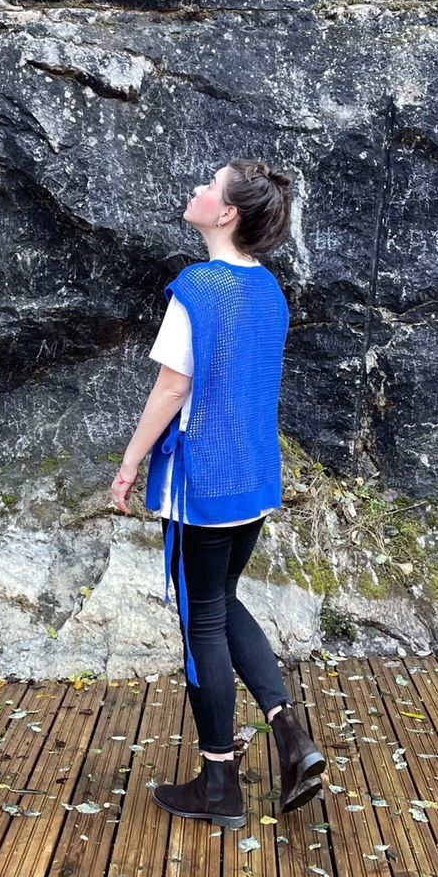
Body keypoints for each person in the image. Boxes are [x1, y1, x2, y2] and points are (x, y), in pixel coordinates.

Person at [110, 159, 325, 829]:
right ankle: (289, 732)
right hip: (253, 476)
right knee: (220, 599)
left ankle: (218, 785)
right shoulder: (267, 290)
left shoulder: (198, 288)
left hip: (201, 480)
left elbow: (173, 388)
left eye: (208, 185)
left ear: (226, 212)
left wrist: (128, 464)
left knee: (199, 617)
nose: (195, 190)